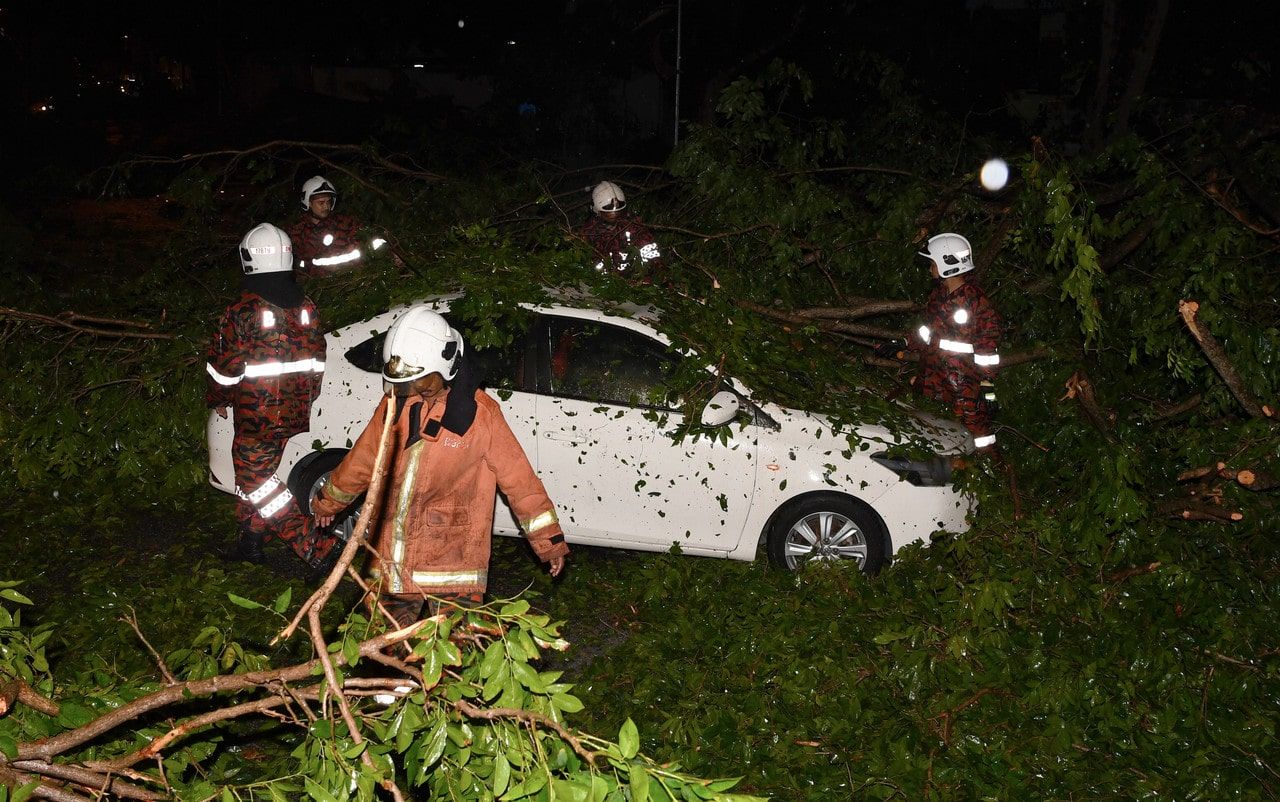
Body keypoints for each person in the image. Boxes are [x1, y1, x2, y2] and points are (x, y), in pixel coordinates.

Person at [310, 305, 568, 627]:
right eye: (409, 383)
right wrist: (329, 501)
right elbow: (364, 460)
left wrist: (549, 542)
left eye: (423, 382)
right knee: (383, 654)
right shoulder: (396, 407)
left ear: (447, 367)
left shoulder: (481, 416)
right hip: (392, 564)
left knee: (453, 660)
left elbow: (521, 483)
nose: (415, 391)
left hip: (453, 570)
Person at [205, 223, 338, 571]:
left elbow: (224, 367)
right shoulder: (306, 306)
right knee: (257, 474)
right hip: (294, 410)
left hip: (256, 414)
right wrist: (307, 396)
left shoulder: (241, 310)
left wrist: (218, 398)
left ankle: (315, 547)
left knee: (257, 482)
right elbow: (318, 358)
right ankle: (250, 541)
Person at [907, 232, 1002, 454]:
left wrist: (987, 386)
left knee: (977, 435)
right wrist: (904, 343)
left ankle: (990, 475)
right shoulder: (937, 295)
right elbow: (929, 332)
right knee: (933, 430)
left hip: (964, 384)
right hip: (933, 379)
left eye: (933, 263)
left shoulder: (976, 302)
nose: (930, 268)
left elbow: (988, 346)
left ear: (947, 263)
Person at [287, 175, 397, 278]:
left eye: (329, 202)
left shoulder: (346, 223)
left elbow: (372, 239)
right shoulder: (296, 231)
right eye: (321, 203)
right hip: (317, 289)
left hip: (352, 282)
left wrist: (393, 255)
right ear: (308, 203)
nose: (326, 206)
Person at [579, 180, 665, 283]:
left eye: (617, 211)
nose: (614, 214)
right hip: (605, 284)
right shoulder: (590, 232)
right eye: (609, 212)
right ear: (597, 211)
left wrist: (659, 275)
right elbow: (587, 263)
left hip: (639, 281)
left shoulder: (633, 226)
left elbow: (652, 254)